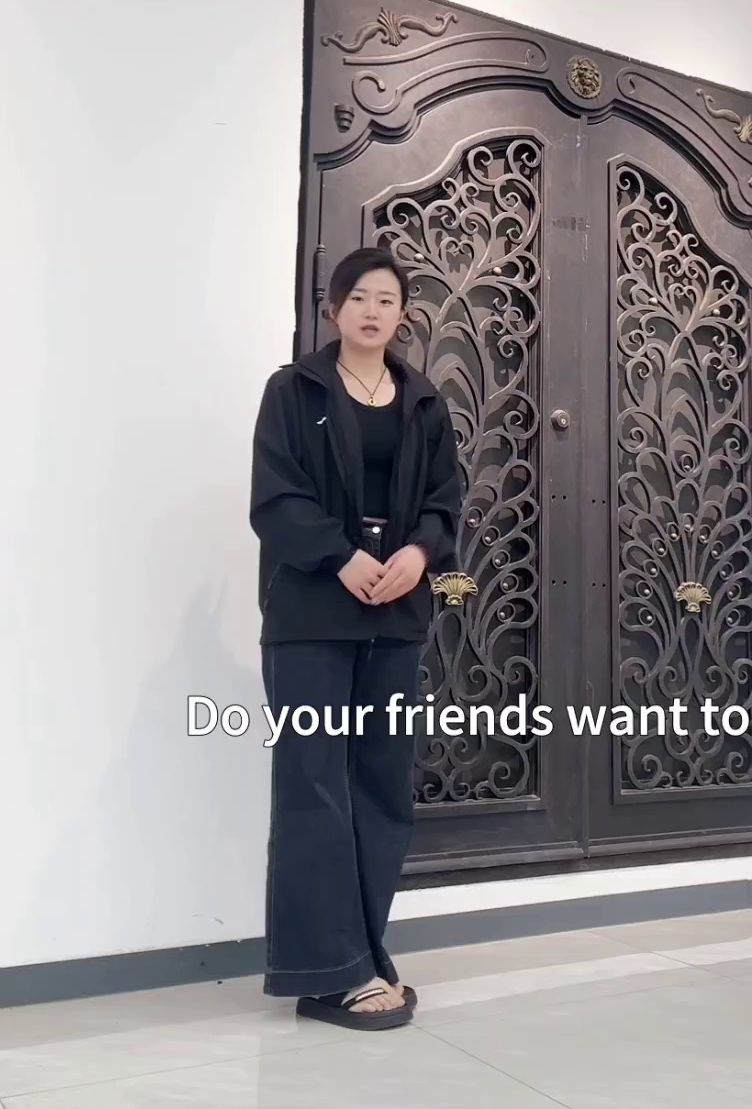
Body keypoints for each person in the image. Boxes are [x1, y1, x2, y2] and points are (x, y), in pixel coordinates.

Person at [249, 245, 462, 1030]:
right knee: (313, 784)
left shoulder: (424, 402)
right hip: (312, 611)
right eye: (360, 297)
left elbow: (445, 498)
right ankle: (329, 972)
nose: (373, 311)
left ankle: (366, 954)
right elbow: (276, 497)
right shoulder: (293, 390)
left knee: (381, 785)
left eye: (387, 299)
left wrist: (418, 555)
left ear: (402, 315)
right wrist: (340, 558)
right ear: (333, 307)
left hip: (395, 613)